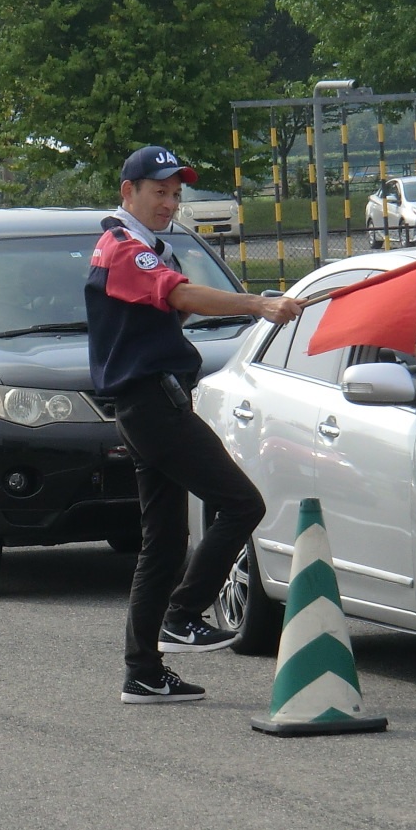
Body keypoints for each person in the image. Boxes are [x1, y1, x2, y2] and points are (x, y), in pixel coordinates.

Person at [86, 146, 304, 704]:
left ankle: (143, 671)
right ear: (127, 191)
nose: (170, 201)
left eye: (177, 193)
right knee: (241, 504)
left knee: (163, 541)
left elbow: (170, 306)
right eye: (159, 190)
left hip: (148, 405)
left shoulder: (144, 249)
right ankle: (181, 616)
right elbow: (179, 295)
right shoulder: (124, 249)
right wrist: (258, 304)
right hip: (154, 407)